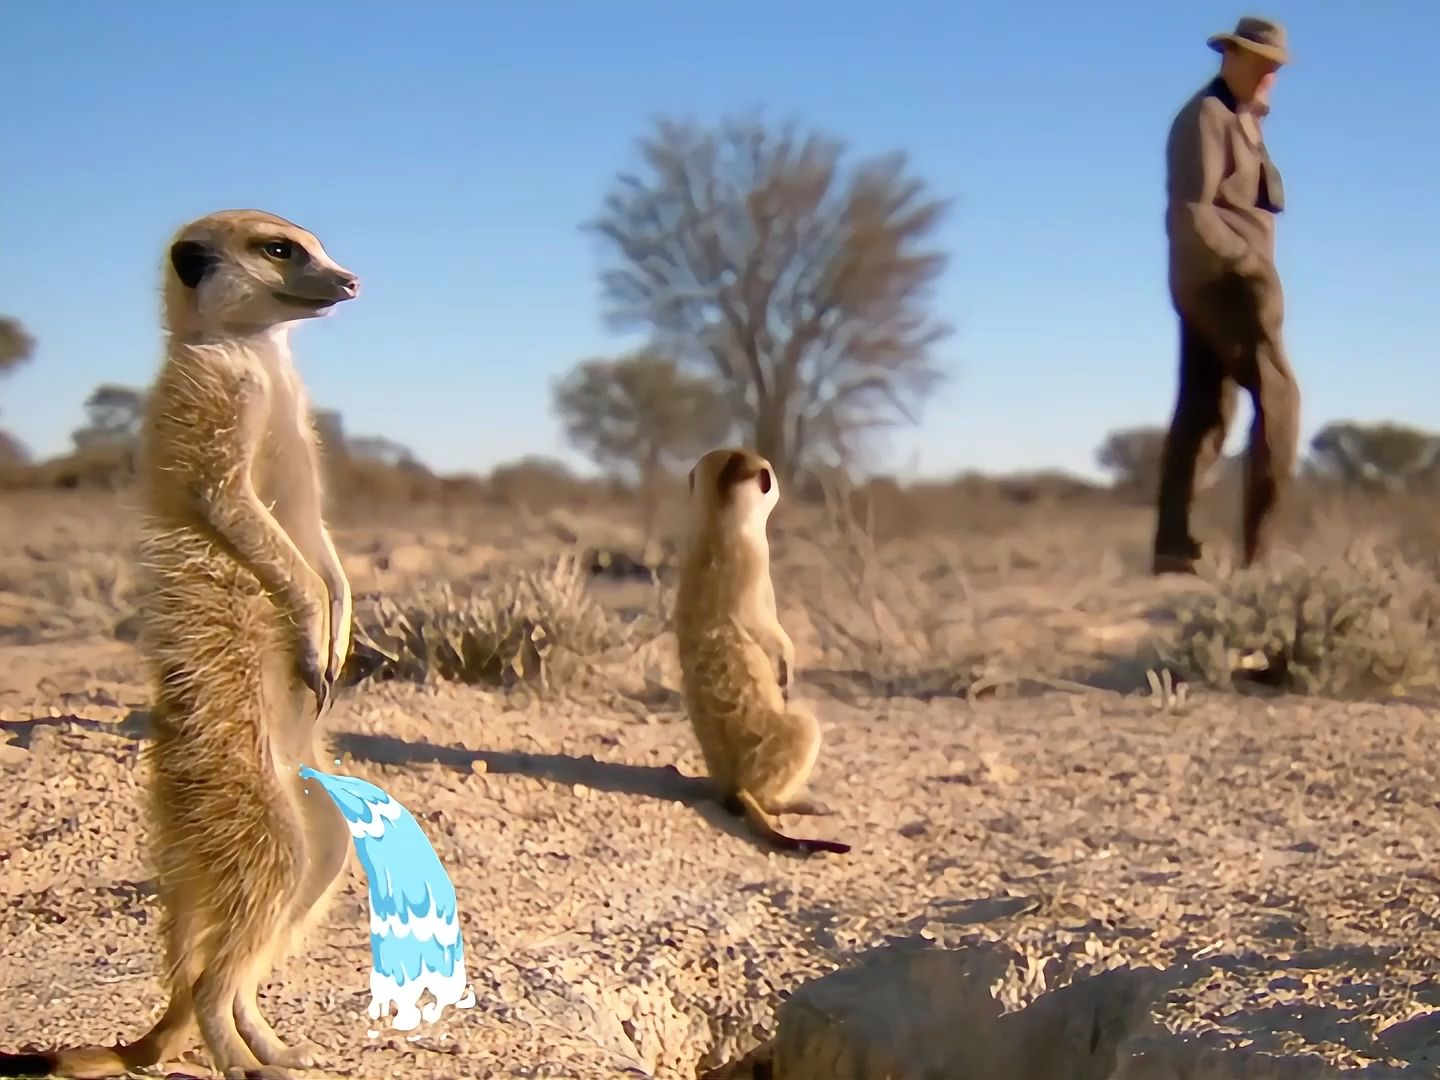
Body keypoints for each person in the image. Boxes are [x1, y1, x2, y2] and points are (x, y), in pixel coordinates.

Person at [1152, 16, 1300, 575]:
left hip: (1216, 280)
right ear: (1230, 56)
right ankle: (1261, 558)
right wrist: (1247, 269)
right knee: (1280, 398)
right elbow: (1191, 212)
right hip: (1224, 281)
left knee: (1205, 409)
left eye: (1276, 68)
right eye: (1260, 63)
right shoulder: (1206, 117)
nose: (1268, 75)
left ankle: (1173, 547)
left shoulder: (1243, 119)